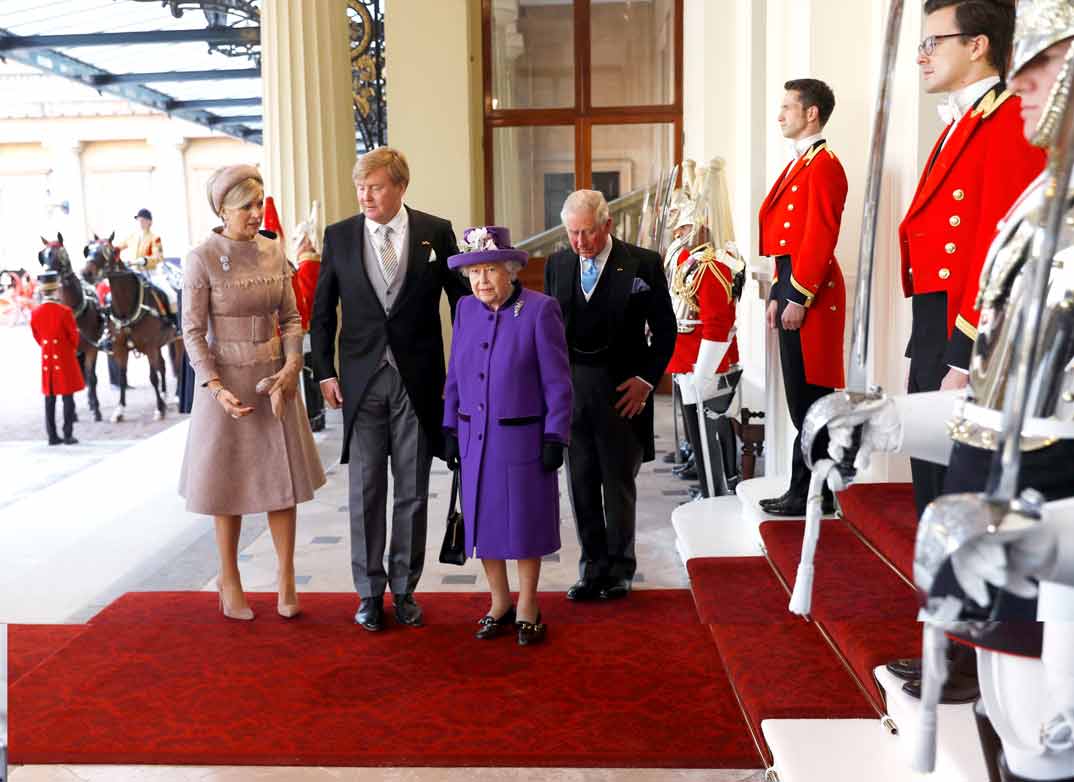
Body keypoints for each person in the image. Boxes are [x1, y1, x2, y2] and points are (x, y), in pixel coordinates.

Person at [821, 3, 1074, 776]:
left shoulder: (1007, 135)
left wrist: (968, 349)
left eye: (1047, 66)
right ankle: (965, 638)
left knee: (1042, 711)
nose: (1027, 86)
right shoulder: (1008, 166)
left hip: (1020, 422)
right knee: (946, 500)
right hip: (971, 355)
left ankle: (973, 646)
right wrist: (898, 413)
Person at [309, 147, 468, 632]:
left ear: (400, 186)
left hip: (418, 381)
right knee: (365, 489)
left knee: (413, 491)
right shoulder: (338, 237)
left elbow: (463, 305)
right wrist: (324, 372)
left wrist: (462, 375)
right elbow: (322, 311)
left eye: (375, 187)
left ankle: (404, 589)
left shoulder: (435, 232)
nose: (366, 195)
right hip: (359, 381)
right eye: (361, 188)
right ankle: (368, 593)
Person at [900, 0, 1044, 518]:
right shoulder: (962, 122)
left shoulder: (1009, 119)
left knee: (955, 494)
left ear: (977, 44)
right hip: (934, 319)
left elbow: (999, 249)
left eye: (931, 43)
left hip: (965, 325)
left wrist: (966, 353)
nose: (922, 57)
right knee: (931, 486)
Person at [178, 164, 326, 621]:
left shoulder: (273, 250)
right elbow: (193, 331)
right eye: (246, 206)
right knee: (229, 486)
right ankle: (229, 578)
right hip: (227, 388)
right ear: (222, 209)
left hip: (275, 382)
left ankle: (285, 578)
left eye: (259, 203)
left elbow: (292, 318)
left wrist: (293, 365)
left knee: (281, 487)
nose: (255, 213)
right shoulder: (201, 257)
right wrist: (215, 387)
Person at [544, 189, 676, 601]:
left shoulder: (643, 264)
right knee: (580, 483)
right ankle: (592, 569)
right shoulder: (558, 264)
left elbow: (666, 330)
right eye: (572, 233)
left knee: (617, 485)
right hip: (573, 392)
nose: (580, 243)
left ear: (608, 225)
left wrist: (646, 380)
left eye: (587, 232)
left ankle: (620, 569)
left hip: (622, 391)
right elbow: (550, 331)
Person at [442, 227, 572, 645]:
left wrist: (556, 435)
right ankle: (499, 602)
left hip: (522, 441)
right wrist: (448, 426)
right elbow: (455, 375)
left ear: (511, 271)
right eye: (475, 272)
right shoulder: (464, 309)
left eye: (490, 271)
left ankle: (529, 603)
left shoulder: (540, 310)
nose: (481, 281)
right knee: (483, 522)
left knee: (525, 523)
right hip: (473, 437)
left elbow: (558, 382)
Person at [757, 78, 848, 517]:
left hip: (812, 292)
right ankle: (807, 488)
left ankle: (812, 491)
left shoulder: (824, 164)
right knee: (800, 396)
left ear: (811, 113)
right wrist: (778, 289)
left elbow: (819, 236)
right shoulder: (802, 163)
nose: (780, 115)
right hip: (791, 283)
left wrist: (798, 296)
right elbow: (786, 240)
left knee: (811, 396)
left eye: (787, 107)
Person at [668, 242, 744, 497]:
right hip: (688, 361)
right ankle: (708, 491)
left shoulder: (710, 266)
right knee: (700, 438)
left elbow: (717, 323)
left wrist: (704, 372)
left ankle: (719, 494)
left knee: (710, 434)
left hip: (705, 363)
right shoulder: (691, 261)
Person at [30, 270, 84, 445]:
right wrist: (67, 348)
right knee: (68, 398)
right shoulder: (64, 311)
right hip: (65, 357)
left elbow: (37, 336)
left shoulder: (36, 313)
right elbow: (74, 338)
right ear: (56, 290)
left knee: (50, 399)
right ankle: (68, 434)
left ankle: (52, 436)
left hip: (48, 359)